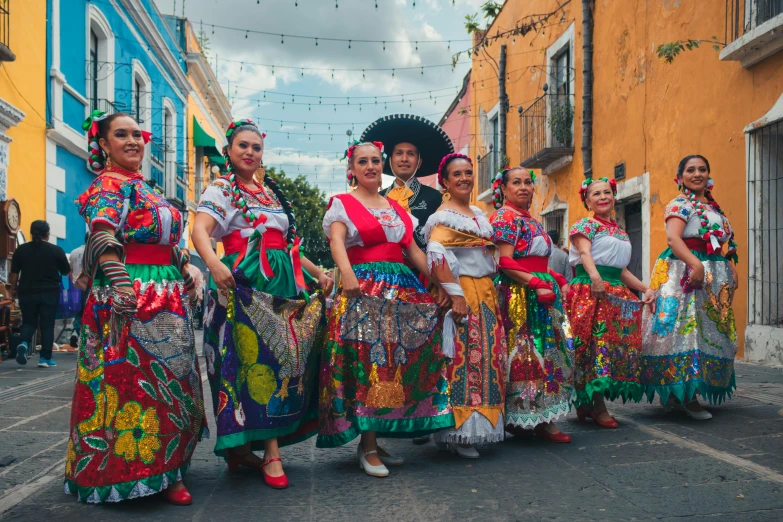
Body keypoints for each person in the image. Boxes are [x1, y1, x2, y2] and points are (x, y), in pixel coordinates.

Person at [65, 111, 205, 505]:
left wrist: (186, 266)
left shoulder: (148, 188)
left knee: (172, 386)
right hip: (130, 296)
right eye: (121, 135)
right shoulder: (107, 185)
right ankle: (128, 472)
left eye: (137, 135)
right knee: (132, 387)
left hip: (166, 296)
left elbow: (163, 240)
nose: (133, 141)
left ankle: (169, 469)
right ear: (104, 145)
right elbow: (103, 233)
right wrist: (121, 282)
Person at [191, 119, 333, 489]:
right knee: (254, 361)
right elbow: (200, 230)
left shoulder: (270, 192)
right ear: (229, 150)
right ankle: (270, 451)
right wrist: (215, 263)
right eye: (243, 146)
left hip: (282, 282)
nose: (250, 152)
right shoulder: (222, 189)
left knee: (286, 359)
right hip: (244, 282)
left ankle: (242, 450)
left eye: (256, 147)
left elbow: (287, 246)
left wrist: (318, 274)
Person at [317, 141, 453, 477]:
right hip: (363, 290)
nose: (370, 167)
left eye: (375, 161)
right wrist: (347, 275)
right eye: (362, 161)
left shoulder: (396, 209)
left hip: (401, 291)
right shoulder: (342, 204)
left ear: (383, 165)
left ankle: (375, 440)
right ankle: (367, 446)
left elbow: (413, 251)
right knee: (368, 363)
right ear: (352, 168)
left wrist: (441, 283)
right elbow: (337, 241)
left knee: (395, 364)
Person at [641, 155, 739, 420]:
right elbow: (674, 239)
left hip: (712, 275)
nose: (697, 174)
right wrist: (696, 266)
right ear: (680, 176)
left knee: (709, 331)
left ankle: (679, 393)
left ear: (709, 174)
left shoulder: (714, 208)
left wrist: (729, 266)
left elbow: (718, 243)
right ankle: (685, 394)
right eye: (690, 170)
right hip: (683, 272)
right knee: (685, 330)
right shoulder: (680, 204)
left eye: (702, 169)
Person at [425, 154, 506, 458]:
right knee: (464, 360)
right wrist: (455, 293)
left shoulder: (476, 213)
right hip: (466, 293)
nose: (464, 178)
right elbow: (435, 252)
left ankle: (484, 425)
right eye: (456, 174)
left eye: (468, 173)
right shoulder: (444, 215)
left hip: (485, 292)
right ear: (445, 182)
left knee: (487, 358)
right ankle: (461, 433)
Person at [489, 167, 574, 443]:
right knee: (527, 353)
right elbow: (504, 261)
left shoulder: (531, 220)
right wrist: (536, 283)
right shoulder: (504, 217)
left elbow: (538, 259)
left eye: (528, 182)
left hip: (540, 293)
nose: (523, 187)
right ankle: (529, 416)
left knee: (547, 352)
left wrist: (555, 277)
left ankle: (538, 417)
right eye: (516, 182)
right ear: (504, 188)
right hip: (520, 295)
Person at [566, 178, 655, 428]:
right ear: (587, 200)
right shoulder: (585, 225)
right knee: (593, 346)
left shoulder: (620, 231)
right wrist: (596, 279)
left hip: (615, 294)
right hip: (592, 292)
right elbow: (585, 254)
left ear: (614, 197)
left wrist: (645, 288)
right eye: (596, 193)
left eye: (607, 192)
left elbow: (621, 271)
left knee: (610, 348)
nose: (603, 197)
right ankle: (596, 405)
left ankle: (588, 403)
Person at [361, 114, 454, 251]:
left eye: (410, 154)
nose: (404, 159)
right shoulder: (375, 199)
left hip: (423, 271)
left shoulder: (437, 199)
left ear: (419, 162)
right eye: (399, 153)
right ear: (390, 160)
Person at [10, 220, 70, 367]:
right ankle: (45, 358)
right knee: (47, 325)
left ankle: (24, 342)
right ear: (47, 234)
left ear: (31, 233)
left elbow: (14, 274)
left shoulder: (21, 250)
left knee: (29, 322)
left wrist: (12, 290)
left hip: (26, 292)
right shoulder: (56, 250)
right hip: (49, 292)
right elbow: (65, 271)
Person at [69, 232, 90, 348]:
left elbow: (70, 272)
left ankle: (75, 332)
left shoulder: (74, 252)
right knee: (89, 312)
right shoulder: (95, 252)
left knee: (79, 311)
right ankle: (86, 339)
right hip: (90, 287)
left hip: (76, 287)